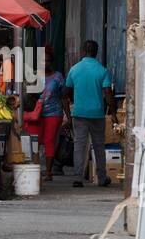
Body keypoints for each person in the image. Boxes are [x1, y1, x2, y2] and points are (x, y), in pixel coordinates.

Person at [64, 39, 114, 187]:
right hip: (97, 114)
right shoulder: (102, 70)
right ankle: (102, 178)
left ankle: (78, 178)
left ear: (83, 51)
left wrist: (68, 113)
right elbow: (107, 92)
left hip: (79, 114)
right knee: (99, 146)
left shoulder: (74, 69)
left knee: (79, 145)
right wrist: (113, 112)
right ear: (96, 52)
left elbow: (65, 93)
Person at [34, 47, 67, 182]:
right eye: (43, 61)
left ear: (51, 62)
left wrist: (68, 117)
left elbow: (64, 97)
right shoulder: (34, 76)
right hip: (37, 114)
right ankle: (35, 170)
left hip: (54, 113)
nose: (45, 63)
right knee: (36, 141)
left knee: (49, 141)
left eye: (47, 61)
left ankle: (48, 172)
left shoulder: (58, 77)